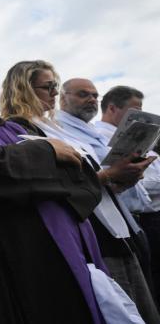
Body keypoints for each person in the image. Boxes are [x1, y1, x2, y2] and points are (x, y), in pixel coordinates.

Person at [0, 49, 126, 324]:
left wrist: (31, 178)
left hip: (62, 253)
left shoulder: (18, 130)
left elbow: (81, 179)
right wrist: (47, 156)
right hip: (2, 267)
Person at [0, 62, 159, 323]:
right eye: (47, 86)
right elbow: (54, 185)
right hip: (88, 231)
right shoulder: (18, 129)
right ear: (24, 87)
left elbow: (86, 175)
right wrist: (109, 176)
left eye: (55, 86)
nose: (54, 93)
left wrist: (122, 178)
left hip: (113, 226)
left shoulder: (57, 128)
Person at [52, 78, 160, 322]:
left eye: (94, 95)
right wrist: (112, 176)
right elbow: (80, 180)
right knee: (124, 303)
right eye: (82, 94)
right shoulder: (58, 129)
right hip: (100, 230)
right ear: (63, 98)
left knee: (143, 300)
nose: (91, 99)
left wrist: (125, 179)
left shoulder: (89, 131)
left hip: (127, 223)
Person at [95, 86, 160, 308]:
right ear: (112, 108)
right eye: (135, 110)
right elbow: (128, 180)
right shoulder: (101, 138)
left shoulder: (146, 140)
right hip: (134, 217)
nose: (142, 116)